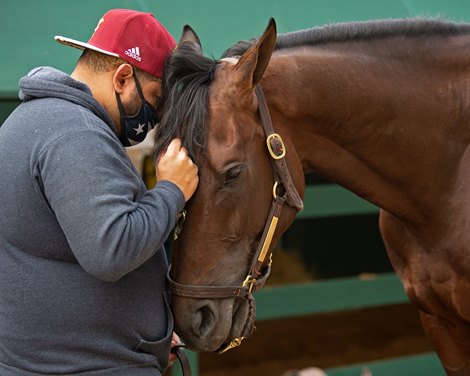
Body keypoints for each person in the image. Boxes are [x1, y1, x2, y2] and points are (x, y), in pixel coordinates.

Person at [0, 8, 198, 376]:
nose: (155, 116)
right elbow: (112, 249)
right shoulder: (75, 133)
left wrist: (149, 334)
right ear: (123, 77)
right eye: (155, 99)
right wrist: (173, 189)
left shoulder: (35, 120)